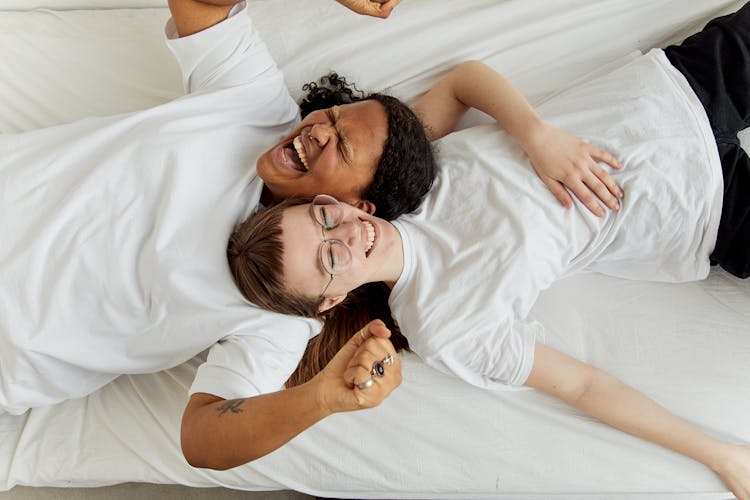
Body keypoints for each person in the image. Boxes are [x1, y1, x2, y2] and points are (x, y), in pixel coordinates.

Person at [0, 0, 620, 467]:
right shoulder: (251, 104)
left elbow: (203, 437)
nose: (314, 130)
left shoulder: (284, 309)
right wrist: (533, 133)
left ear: (355, 203)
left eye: (340, 145)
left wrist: (323, 398)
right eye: (330, 115)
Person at [229, 4, 750, 497]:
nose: (346, 233)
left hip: (669, 94)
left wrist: (537, 136)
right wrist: (722, 456)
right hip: (700, 210)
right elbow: (585, 387)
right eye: (329, 258)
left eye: (322, 218)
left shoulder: (393, 182)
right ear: (330, 300)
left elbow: (463, 82)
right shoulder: (445, 326)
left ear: (330, 200)